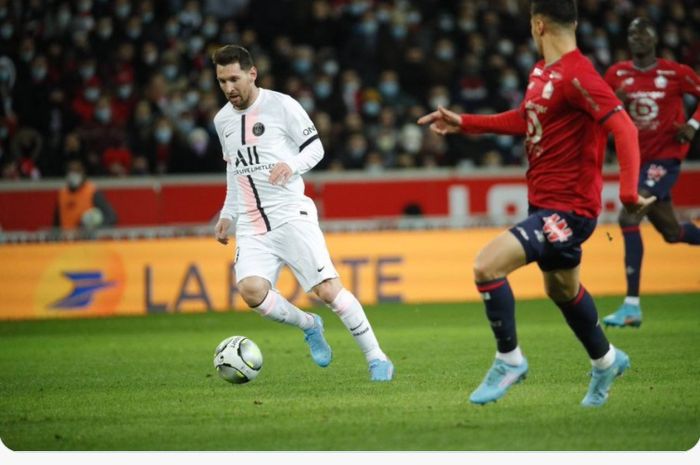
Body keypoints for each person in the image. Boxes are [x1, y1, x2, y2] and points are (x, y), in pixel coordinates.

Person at [417, 0, 655, 407]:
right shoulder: (543, 72)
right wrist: (466, 123)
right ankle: (606, 360)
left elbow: (624, 128)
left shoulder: (579, 75)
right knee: (562, 289)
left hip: (569, 210)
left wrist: (629, 193)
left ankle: (509, 360)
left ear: (538, 25)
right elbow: (526, 118)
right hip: (542, 203)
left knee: (487, 265)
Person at [211, 45, 394, 381]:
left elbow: (316, 149)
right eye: (222, 81)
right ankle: (309, 325)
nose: (228, 88)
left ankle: (376, 357)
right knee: (251, 290)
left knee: (327, 290)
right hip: (252, 223)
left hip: (290, 214)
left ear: (252, 74)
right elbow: (233, 170)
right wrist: (228, 213)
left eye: (234, 79)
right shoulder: (221, 120)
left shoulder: (282, 106)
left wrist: (291, 165)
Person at [602, 17, 700, 328]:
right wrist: (614, 106)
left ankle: (632, 305)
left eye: (643, 33)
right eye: (632, 33)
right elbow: (598, 110)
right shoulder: (617, 74)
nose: (637, 38)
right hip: (636, 161)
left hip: (666, 158)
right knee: (672, 233)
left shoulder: (675, 72)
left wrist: (693, 125)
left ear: (655, 38)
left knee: (628, 215)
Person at [53, 159, 117, 230]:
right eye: (70, 171)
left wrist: (95, 227)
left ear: (83, 173)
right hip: (65, 239)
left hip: (86, 239)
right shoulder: (62, 194)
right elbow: (56, 223)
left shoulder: (93, 192)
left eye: (76, 171)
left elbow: (111, 217)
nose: (73, 175)